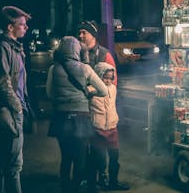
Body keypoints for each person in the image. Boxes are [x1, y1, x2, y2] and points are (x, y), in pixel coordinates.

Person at [47, 36, 108, 193]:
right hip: (80, 119)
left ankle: (65, 188)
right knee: (80, 159)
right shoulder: (85, 68)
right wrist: (89, 93)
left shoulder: (53, 68)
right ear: (77, 50)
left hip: (60, 118)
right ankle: (75, 188)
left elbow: (49, 93)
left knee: (66, 158)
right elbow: (104, 90)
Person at [0, 6, 32, 193]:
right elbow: (3, 81)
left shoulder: (14, 47)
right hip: (10, 111)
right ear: (10, 27)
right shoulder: (3, 47)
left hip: (11, 110)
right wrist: (18, 108)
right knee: (13, 165)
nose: (26, 28)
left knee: (2, 160)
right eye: (22, 24)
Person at [87, 62, 130, 191]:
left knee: (114, 157)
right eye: (105, 77)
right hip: (97, 128)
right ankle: (101, 179)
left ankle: (113, 181)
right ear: (98, 76)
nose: (108, 81)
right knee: (99, 158)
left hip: (112, 127)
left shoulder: (113, 88)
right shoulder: (90, 90)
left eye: (111, 78)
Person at [78, 20, 118, 85]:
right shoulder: (76, 52)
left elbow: (113, 80)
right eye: (79, 33)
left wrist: (109, 94)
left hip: (98, 93)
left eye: (84, 33)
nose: (80, 36)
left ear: (93, 35)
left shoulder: (104, 54)